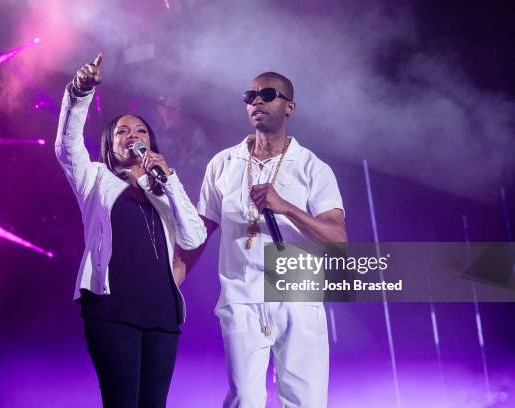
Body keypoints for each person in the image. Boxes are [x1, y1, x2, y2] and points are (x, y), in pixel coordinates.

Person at [55, 53, 206, 407]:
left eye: (140, 131)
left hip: (162, 313)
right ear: (110, 145)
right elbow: (66, 147)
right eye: (122, 131)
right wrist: (79, 93)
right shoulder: (94, 178)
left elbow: (194, 237)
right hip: (112, 309)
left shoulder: (164, 189)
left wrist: (169, 181)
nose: (132, 136)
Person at [189, 72, 347, 407]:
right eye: (250, 96)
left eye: (267, 94)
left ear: (290, 106)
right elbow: (199, 233)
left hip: (297, 295)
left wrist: (286, 207)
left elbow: (338, 239)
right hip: (242, 295)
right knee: (244, 399)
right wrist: (169, 281)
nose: (256, 101)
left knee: (306, 402)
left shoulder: (312, 168)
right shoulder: (223, 164)